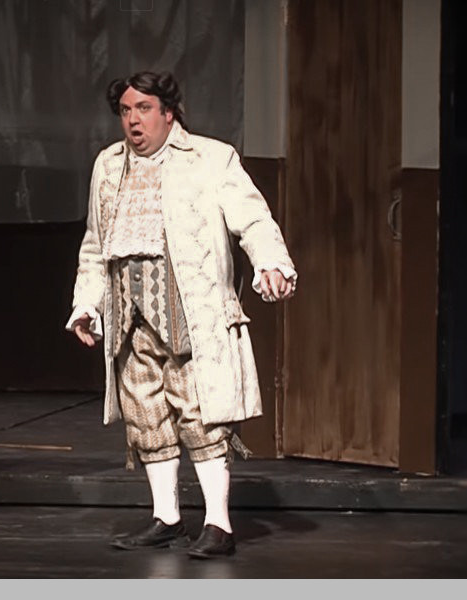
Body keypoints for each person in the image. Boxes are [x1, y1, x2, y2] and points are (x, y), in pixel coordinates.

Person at [67, 71, 296, 559]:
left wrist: (271, 262)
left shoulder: (211, 158)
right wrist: (86, 303)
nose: (133, 120)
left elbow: (253, 217)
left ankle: (218, 524)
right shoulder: (108, 165)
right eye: (126, 111)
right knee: (146, 416)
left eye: (144, 108)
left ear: (169, 112)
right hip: (130, 321)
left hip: (190, 313)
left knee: (202, 416)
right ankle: (166, 518)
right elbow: (95, 244)